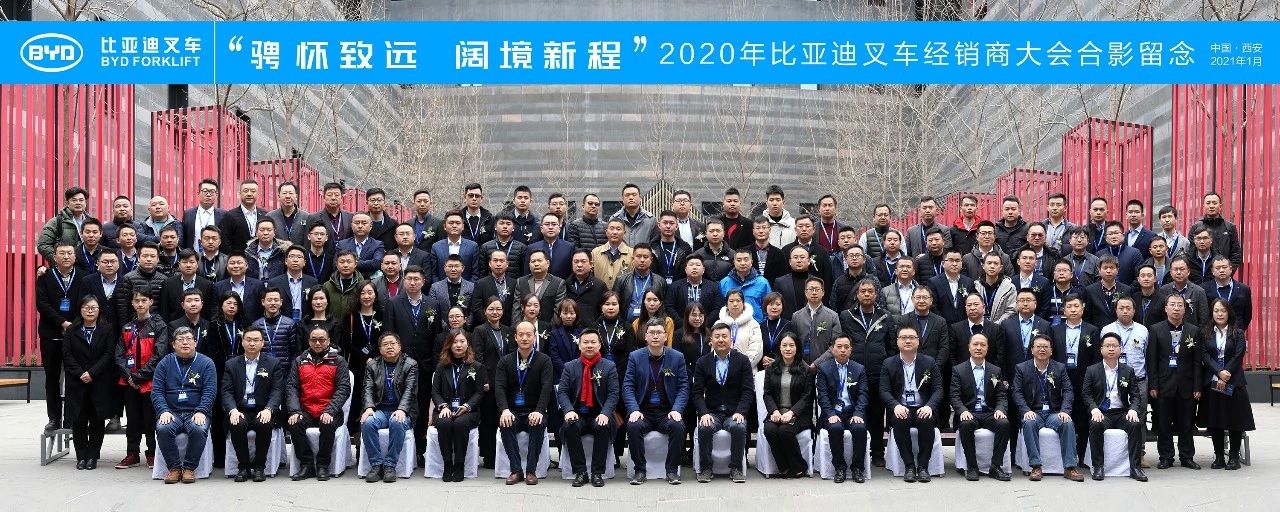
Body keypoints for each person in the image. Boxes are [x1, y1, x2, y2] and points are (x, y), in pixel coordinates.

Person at [623, 318, 689, 485]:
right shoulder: (635, 357)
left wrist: (677, 409)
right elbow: (628, 386)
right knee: (633, 426)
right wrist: (634, 409)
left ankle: (672, 470)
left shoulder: (677, 357)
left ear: (666, 336)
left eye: (659, 332)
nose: (655, 336)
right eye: (651, 332)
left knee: (678, 426)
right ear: (645, 336)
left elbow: (683, 387)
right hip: (643, 411)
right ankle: (640, 470)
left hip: (666, 412)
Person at [1012, 335, 1085, 482]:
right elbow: (1016, 392)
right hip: (1034, 412)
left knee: (1067, 423)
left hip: (1054, 412)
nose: (1042, 349)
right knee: (1028, 422)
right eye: (1038, 346)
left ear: (1051, 351)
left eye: (1045, 347)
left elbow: (1068, 390)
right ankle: (1036, 466)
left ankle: (1070, 467)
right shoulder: (1022, 368)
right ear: (1032, 350)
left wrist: (1065, 411)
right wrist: (1026, 410)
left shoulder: (1059, 368)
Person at [152, 327, 218, 484]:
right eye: (180, 340)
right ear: (173, 344)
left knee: (198, 428)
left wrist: (202, 411)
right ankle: (174, 468)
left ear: (195, 342)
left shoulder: (206, 363)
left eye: (189, 339)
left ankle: (189, 468)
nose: (185, 343)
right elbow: (157, 391)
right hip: (171, 412)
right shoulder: (165, 363)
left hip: (195, 411)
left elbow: (210, 391)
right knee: (163, 428)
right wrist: (163, 410)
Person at [286, 326, 351, 481]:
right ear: (309, 341)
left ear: (328, 340)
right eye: (314, 340)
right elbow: (292, 387)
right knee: (294, 423)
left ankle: (323, 465)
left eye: (321, 340)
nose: (317, 343)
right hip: (307, 410)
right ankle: (306, 464)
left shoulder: (338, 361)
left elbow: (343, 388)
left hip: (330, 410)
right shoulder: (300, 361)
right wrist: (295, 411)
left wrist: (330, 410)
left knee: (327, 424)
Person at [837, 278, 891, 466]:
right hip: (854, 373)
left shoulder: (885, 316)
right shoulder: (846, 316)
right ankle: (856, 453)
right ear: (857, 295)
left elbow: (891, 346)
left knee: (877, 415)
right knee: (857, 412)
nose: (867, 294)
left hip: (878, 373)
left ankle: (877, 452)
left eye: (870, 291)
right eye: (863, 291)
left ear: (876, 295)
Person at [556, 328, 619, 487]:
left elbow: (613, 394)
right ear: (579, 345)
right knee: (570, 426)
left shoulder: (609, 366)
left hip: (599, 413)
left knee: (602, 426)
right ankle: (580, 472)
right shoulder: (570, 367)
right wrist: (568, 410)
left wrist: (605, 413)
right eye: (585, 342)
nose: (589, 345)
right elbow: (562, 392)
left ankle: (597, 473)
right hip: (577, 414)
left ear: (599, 345)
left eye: (593, 342)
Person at [691, 322, 753, 483]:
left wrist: (741, 411)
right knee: (704, 427)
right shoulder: (702, 362)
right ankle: (706, 468)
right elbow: (697, 392)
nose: (720, 340)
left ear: (731, 339)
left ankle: (736, 468)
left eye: (724, 336)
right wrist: (703, 413)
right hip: (712, 412)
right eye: (717, 336)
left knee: (738, 427)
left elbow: (748, 390)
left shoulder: (743, 361)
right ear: (711, 340)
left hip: (734, 412)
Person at [221, 325, 284, 483]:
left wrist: (269, 409)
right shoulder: (231, 364)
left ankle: (259, 467)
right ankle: (243, 467)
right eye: (248, 340)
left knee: (264, 423)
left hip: (262, 408)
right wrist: (232, 410)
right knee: (237, 423)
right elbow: (226, 391)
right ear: (242, 342)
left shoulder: (273, 363)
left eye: (256, 340)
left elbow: (277, 390)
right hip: (240, 408)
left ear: (262, 343)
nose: (252, 343)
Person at [1081, 333, 1147, 482]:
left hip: (1121, 412)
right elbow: (1086, 394)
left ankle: (1135, 468)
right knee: (1095, 424)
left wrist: (1133, 409)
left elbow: (1135, 395)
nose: (1111, 349)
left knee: (1135, 424)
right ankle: (1098, 467)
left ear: (1120, 349)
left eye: (1114, 346)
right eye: (1107, 346)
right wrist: (1094, 409)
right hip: (1102, 412)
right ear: (1101, 349)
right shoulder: (1092, 370)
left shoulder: (1128, 370)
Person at [1198, 298, 1255, 471]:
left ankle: (1234, 457)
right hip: (1212, 382)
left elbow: (1238, 355)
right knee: (1215, 420)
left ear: (1229, 312)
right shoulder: (1205, 332)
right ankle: (1219, 456)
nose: (1219, 314)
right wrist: (1218, 372)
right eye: (1216, 311)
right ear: (1212, 313)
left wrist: (1225, 374)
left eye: (1223, 310)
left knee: (1234, 420)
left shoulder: (1237, 332)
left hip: (1233, 382)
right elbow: (1205, 355)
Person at [1147, 293, 1202, 470]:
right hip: (1163, 385)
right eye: (1172, 305)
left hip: (1187, 385)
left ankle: (1187, 457)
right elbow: (1152, 360)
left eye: (1180, 305)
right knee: (1163, 423)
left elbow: (1197, 362)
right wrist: (1153, 384)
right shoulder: (1155, 329)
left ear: (1185, 309)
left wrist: (1197, 386)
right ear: (1166, 308)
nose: (1176, 308)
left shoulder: (1194, 330)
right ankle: (1166, 456)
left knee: (1186, 423)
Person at [880, 325, 942, 482]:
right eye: (903, 338)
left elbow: (938, 389)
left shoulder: (929, 362)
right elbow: (884, 391)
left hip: (923, 407)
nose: (907, 341)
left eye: (912, 338)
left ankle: (923, 467)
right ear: (897, 341)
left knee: (926, 420)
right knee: (900, 420)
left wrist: (929, 406)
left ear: (918, 341)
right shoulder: (888, 363)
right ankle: (909, 466)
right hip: (901, 407)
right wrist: (895, 406)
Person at [115, 290, 169, 470]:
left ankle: (152, 453)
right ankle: (132, 453)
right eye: (136, 300)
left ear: (151, 302)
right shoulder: (127, 327)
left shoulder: (159, 325)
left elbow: (159, 354)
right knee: (132, 419)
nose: (140, 304)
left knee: (150, 419)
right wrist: (129, 376)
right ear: (132, 303)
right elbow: (119, 355)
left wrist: (139, 376)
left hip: (150, 382)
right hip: (129, 382)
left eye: (143, 300)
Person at [495, 321, 555, 485]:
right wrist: (504, 410)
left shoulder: (544, 360)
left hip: (534, 410)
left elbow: (547, 388)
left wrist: (539, 410)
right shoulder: (505, 361)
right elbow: (499, 388)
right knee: (505, 423)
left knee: (538, 423)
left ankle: (531, 471)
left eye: (529, 334)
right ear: (515, 337)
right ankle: (516, 470)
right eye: (521, 334)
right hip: (512, 411)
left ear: (534, 337)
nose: (524, 338)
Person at [63, 296, 115, 470]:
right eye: (86, 307)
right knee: (78, 420)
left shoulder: (107, 329)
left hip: (98, 381)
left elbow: (108, 354)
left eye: (93, 307)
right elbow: (67, 356)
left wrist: (92, 373)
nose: (90, 310)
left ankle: (93, 457)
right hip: (77, 382)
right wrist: (81, 373)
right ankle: (81, 457)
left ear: (99, 310)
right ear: (80, 310)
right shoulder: (71, 330)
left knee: (97, 420)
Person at [951, 334, 1012, 481]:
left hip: (989, 412)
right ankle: (972, 467)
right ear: (969, 347)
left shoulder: (995, 370)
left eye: (983, 345)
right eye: (975, 344)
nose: (979, 348)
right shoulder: (959, 370)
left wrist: (1000, 409)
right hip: (970, 412)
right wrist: (962, 410)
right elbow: (954, 396)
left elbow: (1001, 396)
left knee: (1004, 424)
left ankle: (995, 466)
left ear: (987, 348)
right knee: (965, 424)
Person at [360, 332, 419, 483]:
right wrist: (369, 407)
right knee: (367, 422)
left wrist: (402, 409)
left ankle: (390, 465)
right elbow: (367, 388)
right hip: (380, 409)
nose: (389, 347)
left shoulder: (410, 364)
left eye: (393, 343)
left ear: (399, 346)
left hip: (402, 410)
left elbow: (410, 390)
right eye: (385, 344)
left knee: (397, 422)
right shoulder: (372, 365)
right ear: (380, 349)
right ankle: (376, 465)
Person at [36, 242, 83, 431]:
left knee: (73, 379)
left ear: (75, 256)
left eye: (69, 253)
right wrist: (63, 323)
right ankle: (54, 417)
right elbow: (42, 304)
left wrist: (73, 325)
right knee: (52, 379)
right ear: (54, 257)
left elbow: (85, 303)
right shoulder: (45, 276)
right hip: (51, 335)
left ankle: (70, 419)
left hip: (75, 335)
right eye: (61, 253)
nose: (66, 256)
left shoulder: (83, 276)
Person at [431, 329, 486, 481]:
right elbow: (435, 391)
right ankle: (448, 463)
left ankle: (459, 464)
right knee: (444, 423)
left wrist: (467, 406)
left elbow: (479, 392)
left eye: (462, 341)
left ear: (468, 344)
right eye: (455, 342)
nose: (458, 345)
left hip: (469, 411)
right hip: (445, 409)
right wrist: (443, 406)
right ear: (449, 344)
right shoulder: (441, 366)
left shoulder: (476, 366)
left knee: (460, 424)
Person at [816, 335, 870, 483]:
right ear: (832, 349)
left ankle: (857, 468)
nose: (843, 350)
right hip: (833, 412)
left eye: (846, 347)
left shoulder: (859, 369)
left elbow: (863, 394)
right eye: (839, 347)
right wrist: (830, 414)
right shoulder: (824, 369)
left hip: (852, 412)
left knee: (859, 428)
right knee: (835, 428)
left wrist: (858, 413)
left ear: (851, 350)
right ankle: (840, 468)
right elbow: (822, 396)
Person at [761, 333, 814, 479]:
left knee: (785, 431)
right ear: (779, 347)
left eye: (791, 345)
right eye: (784, 345)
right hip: (777, 412)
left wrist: (792, 413)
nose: (788, 349)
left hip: (798, 414)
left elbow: (807, 396)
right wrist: (774, 411)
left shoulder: (805, 369)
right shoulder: (772, 368)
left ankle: (799, 467)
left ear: (797, 348)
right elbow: (767, 394)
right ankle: (783, 467)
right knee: (770, 429)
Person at [791, 277, 842, 366]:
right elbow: (792, 343)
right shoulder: (796, 316)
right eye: (811, 289)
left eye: (817, 289)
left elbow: (836, 344)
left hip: (825, 366)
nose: (814, 292)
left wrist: (817, 363)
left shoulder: (832, 316)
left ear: (823, 292)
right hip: (800, 366)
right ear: (805, 292)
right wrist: (802, 364)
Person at [1189, 192, 1243, 272]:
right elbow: (1191, 253)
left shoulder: (1230, 227)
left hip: (1223, 274)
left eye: (1214, 203)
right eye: (1208, 203)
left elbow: (1236, 254)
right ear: (1204, 206)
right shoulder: (1195, 228)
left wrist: (1228, 272)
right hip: (1202, 275)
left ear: (1220, 206)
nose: (1211, 206)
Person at [664, 255, 722, 328]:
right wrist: (683, 325)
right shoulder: (675, 286)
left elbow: (718, 307)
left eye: (698, 265)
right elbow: (669, 306)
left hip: (706, 328)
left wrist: (704, 324)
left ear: (703, 270)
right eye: (691, 265)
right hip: (681, 328)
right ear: (685, 269)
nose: (694, 267)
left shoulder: (713, 286)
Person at [39, 187, 94, 263]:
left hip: (88, 266)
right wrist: (59, 261)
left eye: (81, 200)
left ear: (85, 203)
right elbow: (43, 245)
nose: (78, 203)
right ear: (67, 203)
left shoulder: (92, 222)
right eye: (74, 200)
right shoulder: (56, 222)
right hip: (66, 267)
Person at [158, 250, 213, 322]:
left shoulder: (207, 285)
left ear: (197, 264)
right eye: (184, 262)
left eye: (192, 262)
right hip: (174, 326)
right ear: (179, 264)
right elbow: (164, 310)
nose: (188, 265)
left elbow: (208, 311)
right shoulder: (168, 283)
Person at [513, 249, 567, 323]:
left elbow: (558, 310)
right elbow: (516, 308)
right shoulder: (521, 282)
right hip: (524, 326)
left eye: (539, 260)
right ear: (529, 265)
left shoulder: (558, 283)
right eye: (533, 261)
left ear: (548, 263)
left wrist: (549, 328)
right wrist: (518, 326)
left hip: (548, 326)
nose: (536, 264)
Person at [218, 179, 268, 256]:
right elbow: (225, 242)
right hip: (238, 260)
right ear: (239, 194)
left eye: (253, 191)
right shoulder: (229, 216)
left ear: (258, 195)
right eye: (246, 191)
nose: (249, 194)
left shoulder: (265, 215)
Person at [721, 248, 772, 323]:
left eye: (746, 260)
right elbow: (721, 307)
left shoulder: (762, 282)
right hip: (731, 326)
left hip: (756, 326)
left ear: (751, 262)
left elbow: (768, 308)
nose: (742, 263)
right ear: (734, 262)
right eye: (739, 260)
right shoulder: (725, 282)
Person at [251, 288, 300, 363]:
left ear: (281, 302)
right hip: (262, 367)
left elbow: (294, 353)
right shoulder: (256, 325)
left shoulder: (290, 324)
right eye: (269, 300)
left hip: (283, 367)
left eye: (276, 300)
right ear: (263, 302)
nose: (273, 303)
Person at [431, 211, 481, 282]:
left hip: (467, 287)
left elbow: (475, 274)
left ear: (463, 226)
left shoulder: (472, 246)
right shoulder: (436, 247)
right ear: (444, 227)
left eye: (458, 223)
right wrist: (440, 287)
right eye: (451, 223)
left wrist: (467, 288)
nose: (454, 226)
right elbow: (434, 274)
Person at [718, 289, 763, 367]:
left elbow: (756, 350)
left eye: (738, 301)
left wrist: (741, 367)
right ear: (726, 304)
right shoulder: (719, 324)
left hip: (747, 369)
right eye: (731, 301)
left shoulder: (753, 324)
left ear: (743, 303)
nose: (735, 304)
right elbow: (714, 349)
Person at [1206, 255, 1252, 331]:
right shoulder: (1204, 289)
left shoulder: (1244, 289)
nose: (1221, 270)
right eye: (1217, 268)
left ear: (1231, 269)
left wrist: (1239, 331)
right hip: (1212, 333)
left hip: (1236, 333)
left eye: (1224, 267)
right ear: (1212, 271)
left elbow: (1247, 315)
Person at [336, 213, 387, 280]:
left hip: (369, 282)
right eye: (357, 223)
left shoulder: (377, 244)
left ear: (370, 226)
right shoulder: (342, 244)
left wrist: (351, 263)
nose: (360, 226)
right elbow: (336, 264)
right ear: (352, 226)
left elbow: (376, 263)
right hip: (346, 280)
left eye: (364, 223)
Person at [528, 212, 576, 280]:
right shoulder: (532, 248)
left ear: (559, 228)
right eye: (547, 224)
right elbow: (527, 274)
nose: (550, 227)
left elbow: (572, 272)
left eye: (554, 224)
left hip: (563, 285)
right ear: (541, 228)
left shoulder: (569, 247)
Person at [565, 249, 607, 326]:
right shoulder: (566, 284)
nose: (579, 265)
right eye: (576, 262)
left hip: (590, 329)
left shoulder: (599, 285)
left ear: (591, 264)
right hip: (570, 327)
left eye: (583, 261)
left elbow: (604, 311)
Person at [589, 219, 633, 289]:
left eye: (618, 229)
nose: (615, 232)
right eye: (611, 229)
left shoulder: (632, 253)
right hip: (600, 293)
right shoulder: (595, 252)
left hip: (623, 294)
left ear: (624, 233)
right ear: (606, 232)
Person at [267, 181, 307, 246]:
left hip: (300, 252)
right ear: (279, 196)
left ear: (296, 196)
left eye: (291, 193)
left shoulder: (306, 217)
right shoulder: (270, 217)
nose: (288, 196)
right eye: (284, 193)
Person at [758, 293, 791, 367]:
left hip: (783, 367)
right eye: (771, 304)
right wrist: (761, 358)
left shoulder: (788, 325)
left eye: (778, 304)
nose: (774, 307)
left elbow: (793, 348)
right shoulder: (759, 326)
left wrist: (777, 361)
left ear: (782, 306)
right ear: (765, 306)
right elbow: (756, 348)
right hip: (763, 368)